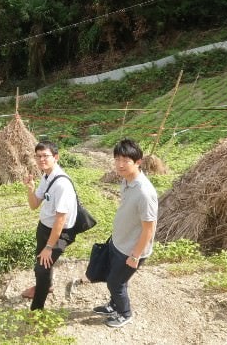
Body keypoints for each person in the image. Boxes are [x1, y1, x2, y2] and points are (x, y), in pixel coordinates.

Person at [69, 138, 157, 328]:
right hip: (118, 242)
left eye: (126, 161)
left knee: (116, 283)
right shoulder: (126, 182)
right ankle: (113, 305)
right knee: (111, 277)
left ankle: (125, 313)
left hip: (131, 249)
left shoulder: (145, 193)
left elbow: (149, 229)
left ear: (138, 162)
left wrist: (135, 255)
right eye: (117, 159)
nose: (120, 165)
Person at [22, 140, 78, 310]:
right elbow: (34, 205)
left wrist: (49, 247)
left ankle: (37, 309)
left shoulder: (61, 184)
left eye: (45, 156)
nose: (41, 160)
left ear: (56, 157)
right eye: (38, 156)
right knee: (40, 259)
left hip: (62, 234)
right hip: (45, 227)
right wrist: (30, 188)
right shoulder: (46, 176)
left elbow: (61, 220)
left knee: (42, 267)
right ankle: (47, 286)